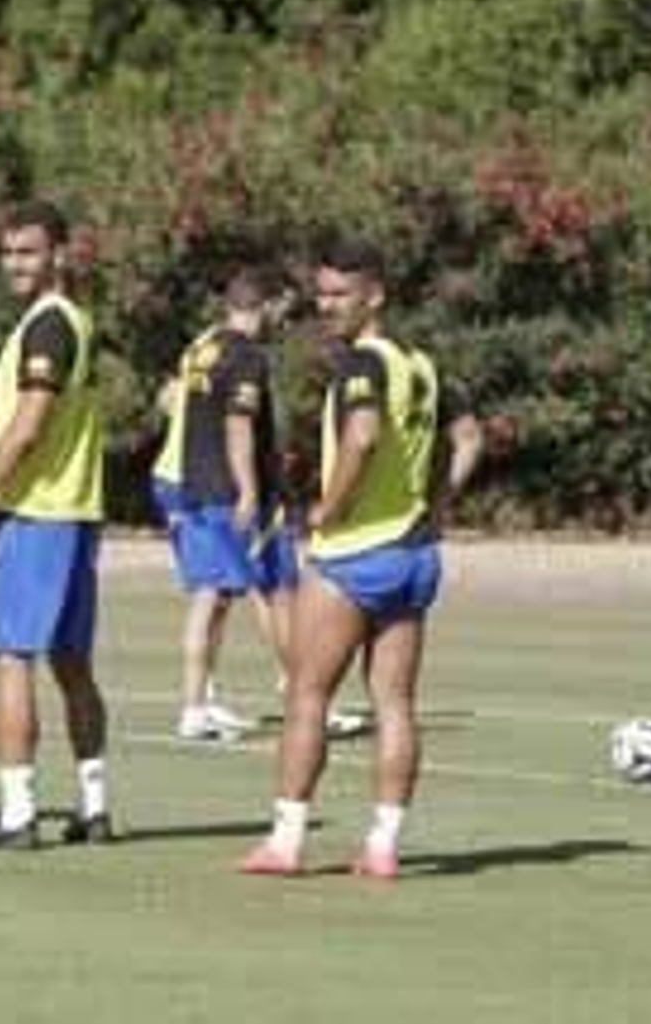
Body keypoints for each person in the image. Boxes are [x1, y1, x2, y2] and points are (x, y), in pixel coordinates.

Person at [240, 239, 482, 877]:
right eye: (321, 294)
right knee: (395, 703)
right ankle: (383, 845)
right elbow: (468, 437)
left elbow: (365, 434)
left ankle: (286, 841)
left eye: (341, 294)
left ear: (375, 295)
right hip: (415, 554)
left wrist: (329, 508)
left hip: (354, 554)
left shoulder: (361, 365)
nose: (327, 306)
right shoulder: (422, 364)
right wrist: (436, 503)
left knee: (307, 695)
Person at [0, 199, 113, 849]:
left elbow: (32, 422)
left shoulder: (47, 325)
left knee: (9, 657)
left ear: (60, 254)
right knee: (72, 662)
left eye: (29, 251)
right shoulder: (70, 322)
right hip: (73, 512)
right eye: (8, 252)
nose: (15, 263)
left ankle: (17, 811)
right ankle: (94, 805)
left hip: (36, 514)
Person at [169, 269, 299, 741]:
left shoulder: (204, 348)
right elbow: (238, 424)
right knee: (271, 588)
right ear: (266, 304)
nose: (286, 319)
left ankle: (196, 705)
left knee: (212, 594)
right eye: (284, 308)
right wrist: (248, 488)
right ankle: (302, 698)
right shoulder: (247, 356)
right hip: (230, 489)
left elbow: (172, 401)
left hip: (196, 482)